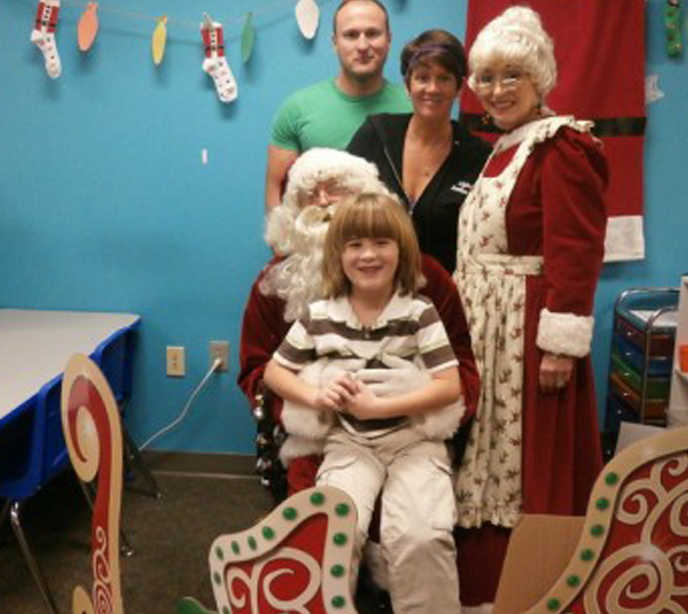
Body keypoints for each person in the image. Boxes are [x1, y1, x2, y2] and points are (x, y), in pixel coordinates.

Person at [452, 6, 609, 610]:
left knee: (524, 462)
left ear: (540, 76)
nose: (497, 90)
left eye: (511, 74)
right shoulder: (500, 149)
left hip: (526, 333)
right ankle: (481, 590)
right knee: (483, 456)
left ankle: (531, 588)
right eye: (486, 77)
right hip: (485, 327)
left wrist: (560, 346)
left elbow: (575, 250)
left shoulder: (562, 145)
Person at [238, 148, 480, 495]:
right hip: (317, 437)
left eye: (335, 186)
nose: (322, 201)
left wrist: (407, 392)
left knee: (420, 525)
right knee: (331, 531)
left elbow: (462, 368)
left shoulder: (427, 276)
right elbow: (257, 370)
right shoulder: (275, 281)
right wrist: (317, 394)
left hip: (408, 432)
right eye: (309, 192)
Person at [264, 192, 462, 614]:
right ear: (338, 254)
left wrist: (381, 409)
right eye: (355, 244)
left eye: (380, 243)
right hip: (349, 445)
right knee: (333, 531)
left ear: (401, 249)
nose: (368, 255)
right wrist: (316, 395)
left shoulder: (419, 312)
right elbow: (273, 373)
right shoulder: (319, 313)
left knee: (422, 534)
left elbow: (449, 386)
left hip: (414, 444)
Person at [347, 28, 491, 273]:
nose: (432, 88)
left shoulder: (478, 155)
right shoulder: (376, 133)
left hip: (442, 295)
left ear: (459, 88)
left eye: (444, 78)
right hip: (370, 287)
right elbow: (339, 211)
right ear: (407, 85)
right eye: (423, 77)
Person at [265, 0, 411, 213]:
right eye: (351, 35)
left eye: (372, 33)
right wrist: (282, 245)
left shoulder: (414, 106)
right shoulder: (297, 108)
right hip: (316, 243)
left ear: (388, 39)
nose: (362, 46)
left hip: (389, 242)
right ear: (335, 43)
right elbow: (275, 192)